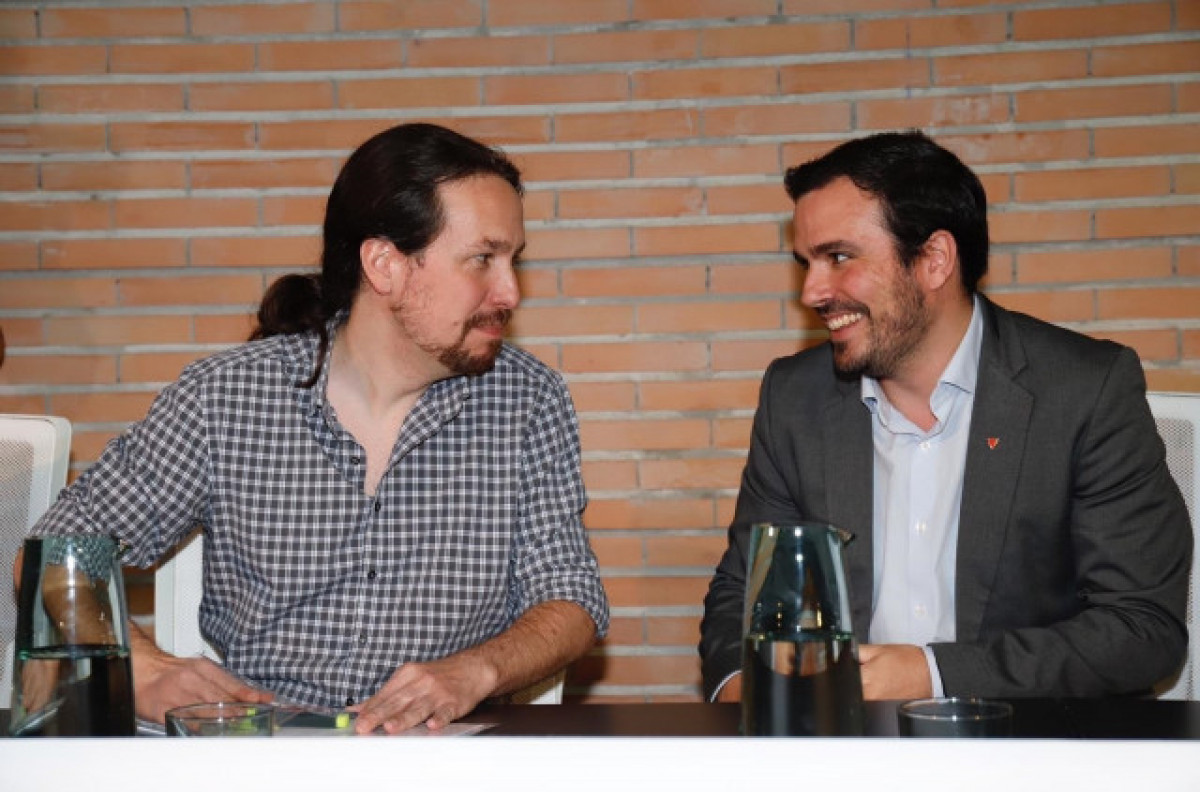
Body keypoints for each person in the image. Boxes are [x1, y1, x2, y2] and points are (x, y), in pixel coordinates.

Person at [25, 122, 609, 734]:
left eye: (514, 260)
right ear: (384, 265)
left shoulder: (527, 400)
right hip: (263, 747)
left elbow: (572, 599)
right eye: (483, 259)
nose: (510, 290)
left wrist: (474, 672)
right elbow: (54, 553)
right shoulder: (225, 397)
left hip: (440, 754)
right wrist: (142, 667)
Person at [700, 130, 1191, 703]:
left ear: (933, 260)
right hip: (846, 743)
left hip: (1026, 743)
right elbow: (745, 595)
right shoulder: (795, 398)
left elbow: (1139, 628)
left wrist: (931, 675)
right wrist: (745, 688)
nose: (811, 291)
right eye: (806, 263)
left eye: (839, 258)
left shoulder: (1084, 389)